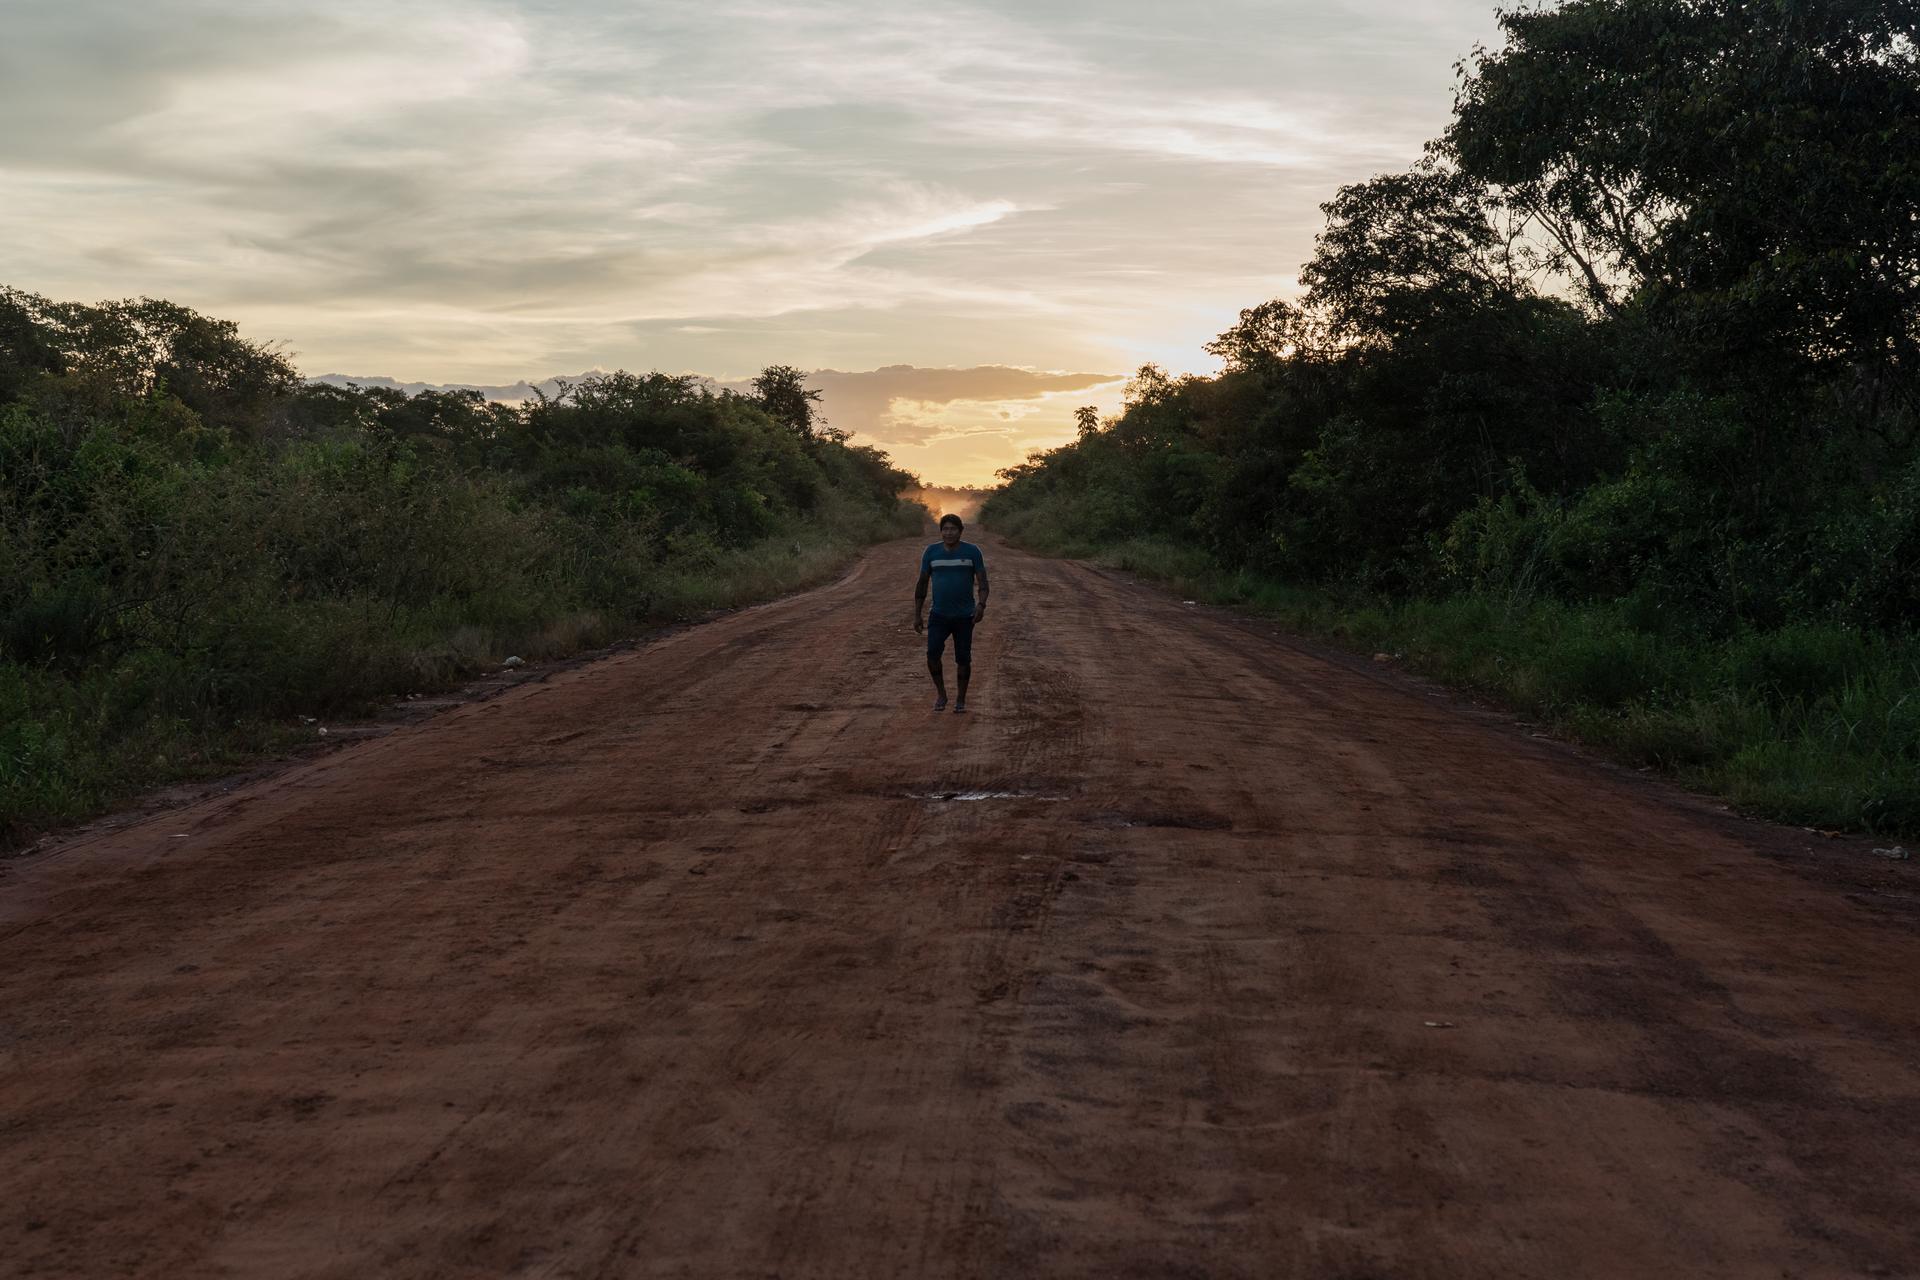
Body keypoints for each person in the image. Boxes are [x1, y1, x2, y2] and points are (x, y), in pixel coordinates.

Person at [913, 514, 989, 713]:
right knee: (932, 654)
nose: (949, 533)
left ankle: (961, 700)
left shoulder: (972, 552)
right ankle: (941, 694)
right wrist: (917, 614)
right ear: (941, 531)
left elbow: (983, 582)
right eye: (945, 529)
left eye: (953, 529)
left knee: (963, 659)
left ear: (960, 531)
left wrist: (981, 605)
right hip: (938, 615)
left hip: (965, 616)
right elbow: (922, 584)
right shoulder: (931, 552)